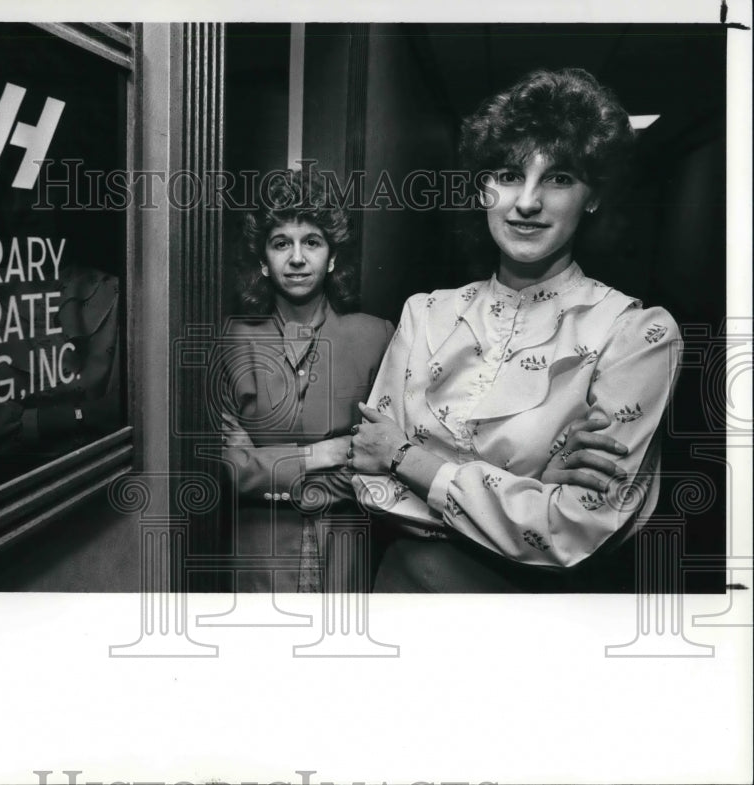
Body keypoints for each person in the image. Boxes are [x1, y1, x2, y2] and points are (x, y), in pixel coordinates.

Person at [349, 68, 681, 592]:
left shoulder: (635, 333)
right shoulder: (425, 313)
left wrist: (405, 457)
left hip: (529, 613)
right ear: (483, 188)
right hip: (398, 592)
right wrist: (530, 489)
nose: (526, 202)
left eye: (559, 178)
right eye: (507, 175)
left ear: (592, 197)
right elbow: (369, 479)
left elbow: (575, 528)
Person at [218, 169, 394, 593]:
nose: (297, 258)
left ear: (332, 257)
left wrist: (265, 468)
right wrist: (324, 452)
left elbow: (381, 467)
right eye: (282, 243)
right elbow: (229, 472)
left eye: (311, 242)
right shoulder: (230, 339)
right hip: (259, 558)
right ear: (263, 260)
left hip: (346, 553)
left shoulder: (377, 335)